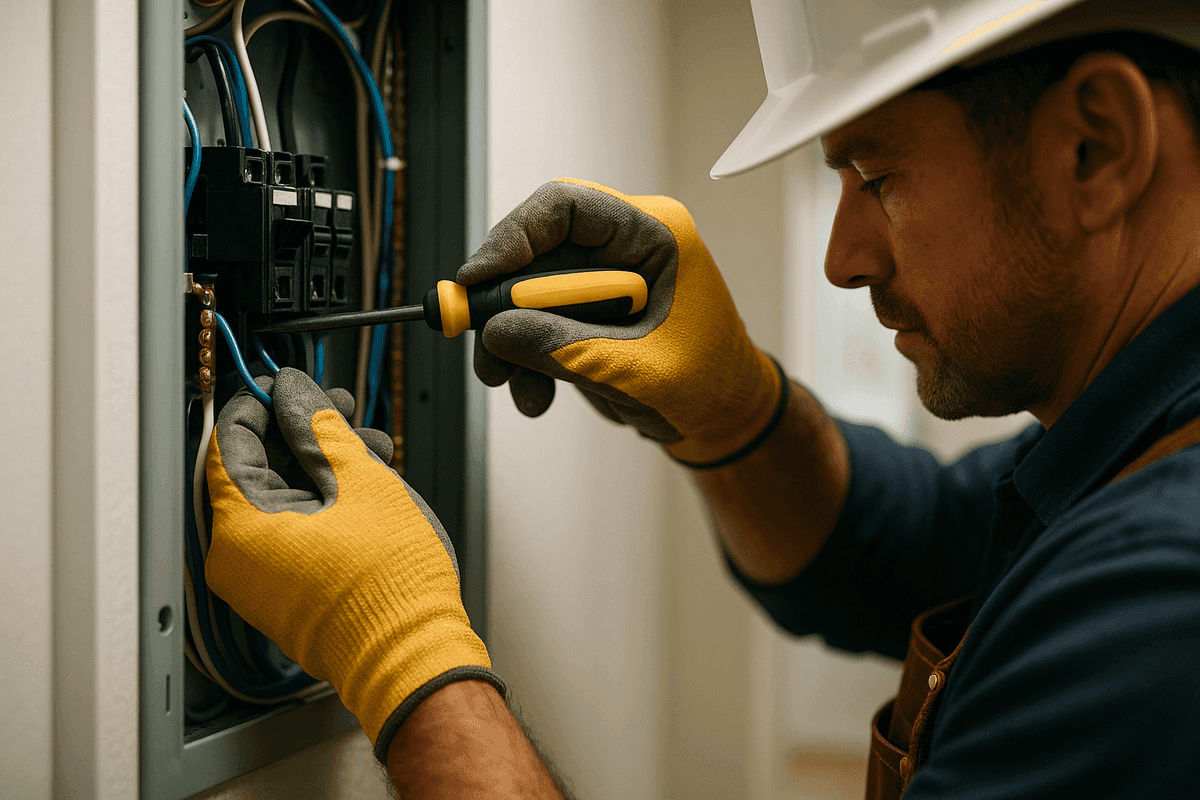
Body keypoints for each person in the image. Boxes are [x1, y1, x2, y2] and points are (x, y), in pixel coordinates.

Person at [204, 0, 1200, 796]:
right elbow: (912, 539)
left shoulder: (1160, 599)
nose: (843, 258)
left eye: (875, 172)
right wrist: (738, 414)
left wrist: (403, 649)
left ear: (1096, 146)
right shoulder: (1125, 455)